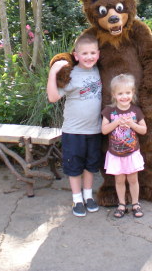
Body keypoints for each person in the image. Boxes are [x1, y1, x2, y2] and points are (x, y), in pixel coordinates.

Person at [47, 33, 102, 217]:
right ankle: (77, 198)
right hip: (74, 131)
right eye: (84, 53)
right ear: (76, 56)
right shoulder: (70, 74)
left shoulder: (99, 71)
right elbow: (53, 97)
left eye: (92, 53)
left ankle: (88, 196)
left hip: (94, 130)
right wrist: (53, 72)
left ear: (98, 54)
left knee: (90, 165)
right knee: (74, 166)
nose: (89, 57)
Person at [101, 74, 147, 218]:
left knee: (133, 179)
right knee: (119, 180)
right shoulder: (109, 111)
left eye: (127, 93)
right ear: (114, 95)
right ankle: (121, 204)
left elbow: (144, 130)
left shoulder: (136, 111)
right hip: (115, 154)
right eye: (120, 93)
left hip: (131, 153)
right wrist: (116, 122)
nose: (124, 96)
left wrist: (132, 124)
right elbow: (104, 130)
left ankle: (135, 203)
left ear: (132, 93)